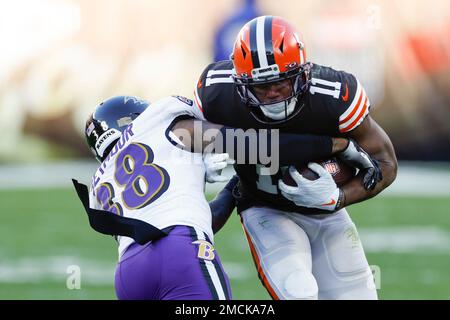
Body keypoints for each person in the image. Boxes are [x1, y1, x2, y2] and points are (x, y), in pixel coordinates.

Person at [73, 93, 377, 300]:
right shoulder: (162, 123)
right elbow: (254, 145)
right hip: (179, 252)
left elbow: (204, 219)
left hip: (128, 274)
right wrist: (335, 145)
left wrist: (236, 185)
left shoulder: (102, 179)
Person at [193, 15, 397, 299]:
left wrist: (339, 198)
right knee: (298, 290)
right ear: (240, 84)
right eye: (262, 88)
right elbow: (182, 135)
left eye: (282, 83)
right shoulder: (217, 92)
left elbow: (386, 164)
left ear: (303, 73)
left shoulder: (333, 95)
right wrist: (200, 154)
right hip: (265, 207)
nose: (273, 95)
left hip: (326, 214)